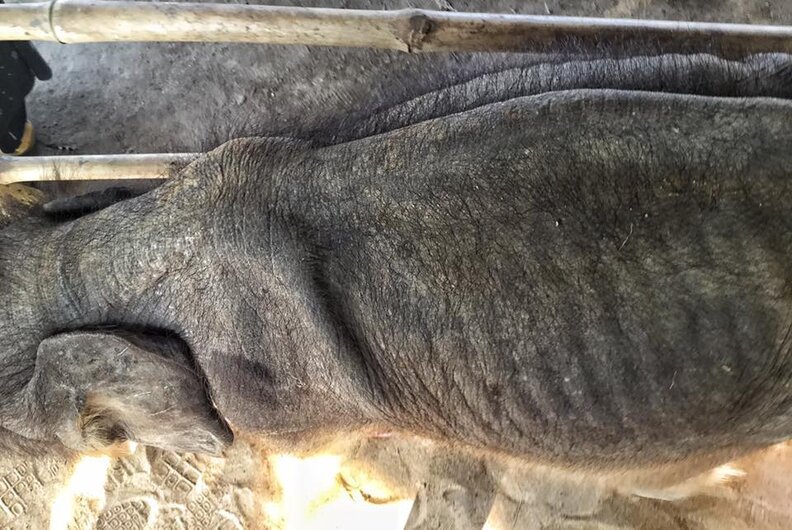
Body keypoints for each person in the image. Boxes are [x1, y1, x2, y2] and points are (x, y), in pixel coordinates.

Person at [0, 13, 51, 155]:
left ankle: (13, 141)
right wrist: (41, 70)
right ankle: (16, 141)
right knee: (12, 112)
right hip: (10, 77)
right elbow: (12, 28)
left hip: (9, 80)